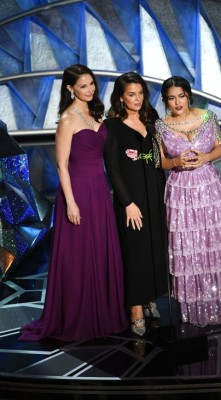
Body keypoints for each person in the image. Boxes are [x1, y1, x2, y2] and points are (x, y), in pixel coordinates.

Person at [18, 64, 128, 342]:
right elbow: (61, 165)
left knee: (100, 250)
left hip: (99, 191)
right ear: (70, 89)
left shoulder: (94, 112)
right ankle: (78, 315)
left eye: (91, 84)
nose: (90, 89)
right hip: (77, 192)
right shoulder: (67, 119)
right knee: (79, 255)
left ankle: (102, 311)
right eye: (83, 86)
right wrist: (70, 203)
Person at [155, 76, 221, 327]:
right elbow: (158, 160)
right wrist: (175, 162)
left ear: (188, 95)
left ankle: (220, 302)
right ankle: (192, 309)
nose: (177, 102)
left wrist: (206, 157)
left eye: (181, 96)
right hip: (180, 191)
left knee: (212, 242)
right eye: (171, 98)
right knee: (188, 248)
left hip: (208, 189)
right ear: (165, 100)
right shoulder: (160, 125)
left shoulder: (208, 117)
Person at [103, 72, 169, 337]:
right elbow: (113, 169)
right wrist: (127, 202)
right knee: (135, 250)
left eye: (141, 93)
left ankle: (150, 296)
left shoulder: (151, 120)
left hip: (154, 192)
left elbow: (160, 158)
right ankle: (135, 308)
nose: (138, 99)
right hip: (131, 198)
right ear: (121, 97)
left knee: (154, 246)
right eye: (131, 94)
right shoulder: (111, 126)